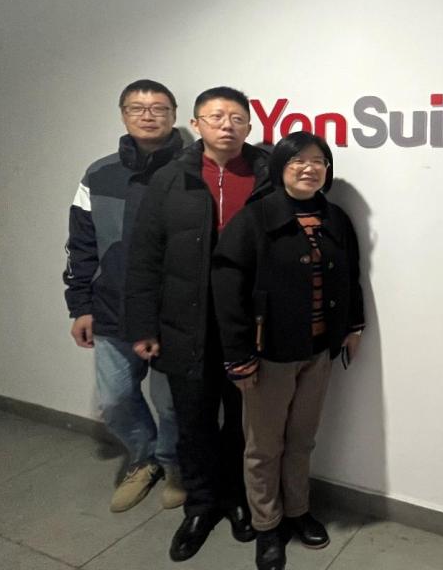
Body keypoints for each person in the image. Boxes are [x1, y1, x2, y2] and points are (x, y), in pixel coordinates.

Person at [125, 87, 268, 562]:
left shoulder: (267, 174)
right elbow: (144, 257)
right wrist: (143, 326)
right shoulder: (171, 178)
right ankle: (201, 506)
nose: (227, 125)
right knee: (194, 422)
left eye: (237, 118)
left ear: (249, 126)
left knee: (244, 424)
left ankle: (236, 499)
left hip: (246, 324)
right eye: (216, 117)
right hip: (185, 324)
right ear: (196, 123)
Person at [212, 131, 364, 570]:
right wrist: (238, 355)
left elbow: (351, 275)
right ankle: (267, 525)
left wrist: (353, 325)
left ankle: (298, 511)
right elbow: (228, 289)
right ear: (280, 167)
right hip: (269, 354)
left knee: (301, 439)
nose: (309, 168)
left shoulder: (336, 218)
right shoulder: (255, 217)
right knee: (263, 447)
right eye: (298, 161)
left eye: (318, 161)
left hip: (318, 351)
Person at [64, 79, 187, 513]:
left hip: (174, 313)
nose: (148, 115)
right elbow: (81, 244)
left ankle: (174, 464)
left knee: (173, 404)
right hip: (111, 307)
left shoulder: (195, 170)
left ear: (174, 115)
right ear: (123, 115)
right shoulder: (98, 173)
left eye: (158, 108)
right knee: (115, 399)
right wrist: (80, 305)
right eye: (137, 108)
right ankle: (144, 457)